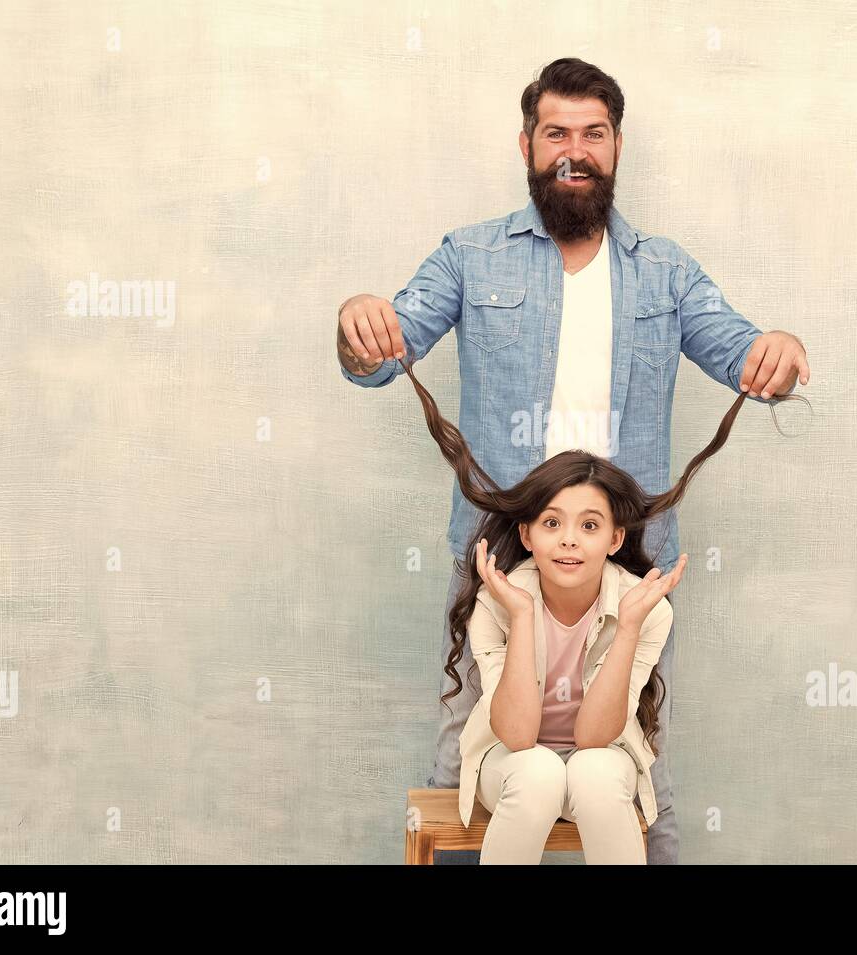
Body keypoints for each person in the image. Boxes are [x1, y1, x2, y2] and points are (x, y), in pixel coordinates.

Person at [337, 57, 810, 864]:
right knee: (466, 762)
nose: (574, 149)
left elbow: (746, 355)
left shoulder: (668, 270)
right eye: (556, 131)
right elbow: (382, 354)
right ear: (527, 144)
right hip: (498, 552)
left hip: (626, 564)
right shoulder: (468, 255)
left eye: (593, 133)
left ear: (616, 146)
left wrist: (783, 349)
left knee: (629, 769)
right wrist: (359, 321)